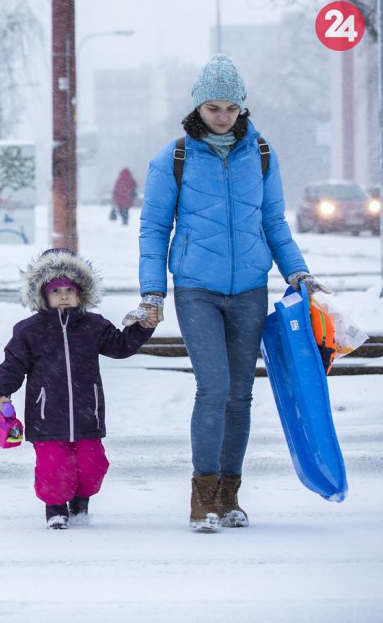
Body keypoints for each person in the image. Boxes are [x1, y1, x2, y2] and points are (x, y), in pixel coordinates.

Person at [131, 54, 330, 532]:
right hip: (196, 288)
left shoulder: (260, 153)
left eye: (230, 107)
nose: (221, 115)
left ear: (242, 107)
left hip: (249, 290)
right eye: (212, 107)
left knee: (240, 394)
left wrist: (297, 273)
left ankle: (229, 494)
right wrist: (153, 292)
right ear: (198, 107)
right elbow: (154, 228)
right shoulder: (174, 157)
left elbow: (273, 222)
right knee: (214, 387)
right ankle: (202, 496)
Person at [0, 249, 157, 529]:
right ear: (44, 295)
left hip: (86, 413)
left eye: (69, 289)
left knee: (92, 466)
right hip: (46, 417)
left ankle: (80, 501)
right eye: (56, 290)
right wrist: (2, 393)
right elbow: (13, 363)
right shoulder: (30, 330)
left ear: (81, 293)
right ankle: (55, 508)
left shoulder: (93, 326)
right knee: (54, 467)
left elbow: (120, 347)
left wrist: (141, 328)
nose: (64, 295)